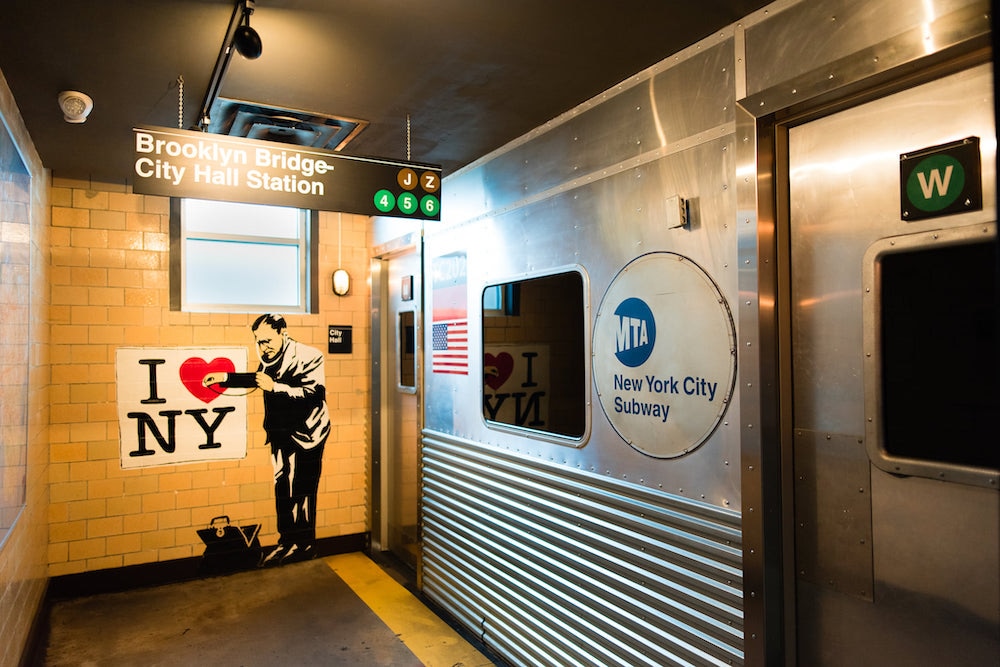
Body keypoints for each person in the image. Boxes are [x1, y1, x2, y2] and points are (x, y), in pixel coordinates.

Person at [205, 313, 331, 566]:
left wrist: (276, 388)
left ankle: (304, 543)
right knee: (282, 485)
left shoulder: (310, 356)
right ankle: (287, 541)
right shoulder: (270, 356)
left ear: (282, 332)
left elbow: (314, 394)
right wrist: (226, 378)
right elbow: (260, 379)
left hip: (309, 433)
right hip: (280, 432)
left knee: (302, 489)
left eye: (266, 341)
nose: (262, 347)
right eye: (258, 341)